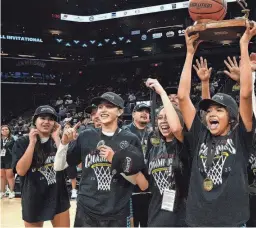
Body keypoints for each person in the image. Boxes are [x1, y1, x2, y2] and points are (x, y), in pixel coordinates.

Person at [177, 22, 256, 226]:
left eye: (219, 109)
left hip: (231, 222)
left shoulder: (241, 135)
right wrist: (189, 54)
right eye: (209, 110)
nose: (211, 114)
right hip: (198, 219)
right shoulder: (200, 134)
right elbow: (182, 97)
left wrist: (244, 44)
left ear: (232, 117)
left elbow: (246, 94)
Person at [54, 92, 149, 227]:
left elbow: (139, 182)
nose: (103, 110)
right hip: (87, 210)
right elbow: (58, 166)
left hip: (117, 210)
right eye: (100, 107)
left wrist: (115, 160)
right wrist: (63, 143)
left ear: (120, 111)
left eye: (109, 106)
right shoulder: (86, 136)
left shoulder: (131, 139)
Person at [11, 105, 70, 227]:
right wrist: (32, 143)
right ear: (34, 121)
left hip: (58, 194)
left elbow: (64, 165)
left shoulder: (57, 140)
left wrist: (56, 138)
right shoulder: (22, 142)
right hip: (34, 197)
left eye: (50, 119)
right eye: (42, 118)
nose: (46, 122)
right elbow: (20, 171)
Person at [144, 78, 189, 226]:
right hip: (157, 212)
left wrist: (162, 93)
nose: (163, 121)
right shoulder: (154, 147)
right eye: (159, 118)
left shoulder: (185, 143)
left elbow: (176, 129)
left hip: (182, 213)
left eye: (167, 118)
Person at [123, 102, 152, 227]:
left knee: (147, 222)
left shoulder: (154, 132)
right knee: (131, 222)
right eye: (141, 111)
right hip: (130, 186)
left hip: (149, 185)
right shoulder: (125, 131)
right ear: (133, 114)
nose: (144, 113)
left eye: (147, 111)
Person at [1, 125, 16, 199]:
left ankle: (11, 191)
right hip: (1, 159)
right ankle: (2, 192)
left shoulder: (13, 139)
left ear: (9, 130)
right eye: (2, 129)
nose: (4, 130)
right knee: (1, 176)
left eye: (6, 129)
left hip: (9, 159)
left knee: (10, 176)